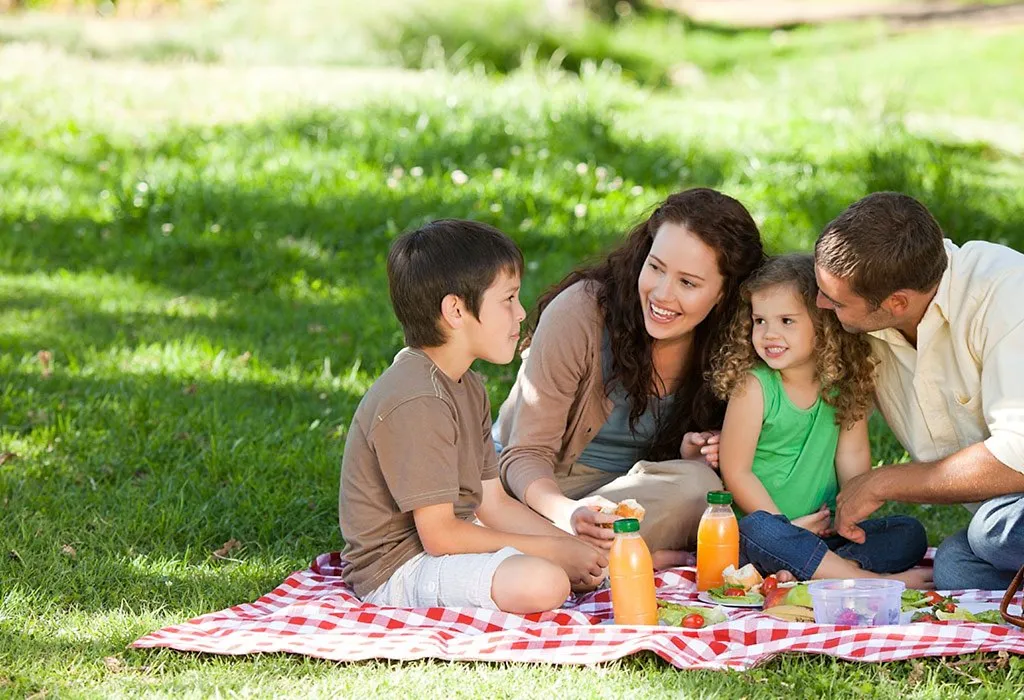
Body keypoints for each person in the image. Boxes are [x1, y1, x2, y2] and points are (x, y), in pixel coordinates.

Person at [339, 219, 608, 613]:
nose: (520, 314)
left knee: (574, 563)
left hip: (452, 541)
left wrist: (568, 544)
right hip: (397, 567)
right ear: (456, 310)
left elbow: (493, 503)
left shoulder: (467, 385)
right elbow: (440, 536)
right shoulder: (418, 398)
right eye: (508, 299)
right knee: (545, 580)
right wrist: (553, 551)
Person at [494, 188, 765, 569]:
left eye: (688, 283)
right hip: (540, 489)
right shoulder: (580, 314)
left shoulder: (738, 343)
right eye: (655, 267)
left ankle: (578, 557)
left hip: (630, 499)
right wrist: (568, 514)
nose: (661, 294)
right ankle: (620, 557)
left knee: (700, 487)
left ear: (725, 293)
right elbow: (523, 455)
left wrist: (694, 453)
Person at [814, 192, 1024, 590]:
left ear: (896, 302)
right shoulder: (874, 318)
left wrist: (883, 482)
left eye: (836, 301)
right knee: (956, 567)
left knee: (992, 533)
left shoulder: (1008, 293)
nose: (820, 303)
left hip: (1008, 511)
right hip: (1012, 510)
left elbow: (1019, 455)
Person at [710, 253, 929, 585]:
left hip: (824, 532)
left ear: (823, 325)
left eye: (786, 321)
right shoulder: (754, 386)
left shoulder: (844, 384)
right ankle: (868, 580)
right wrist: (785, 526)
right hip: (766, 534)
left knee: (908, 533)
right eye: (759, 321)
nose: (769, 333)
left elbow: (852, 457)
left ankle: (825, 570)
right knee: (757, 530)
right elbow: (735, 471)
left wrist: (849, 517)